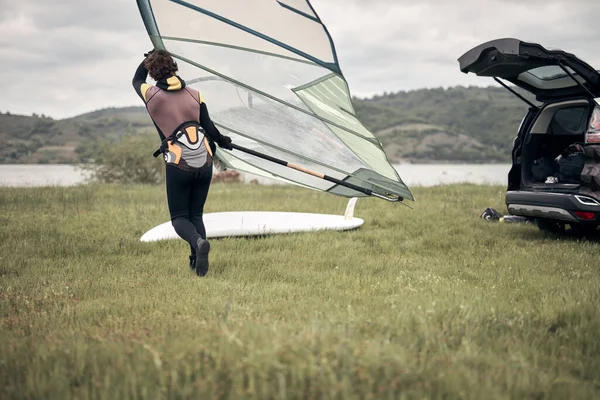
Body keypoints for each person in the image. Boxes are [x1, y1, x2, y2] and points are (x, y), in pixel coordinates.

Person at [132, 49, 233, 277]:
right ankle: (196, 260)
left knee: (179, 217)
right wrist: (223, 141)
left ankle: (197, 243)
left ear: (153, 71)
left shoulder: (151, 95)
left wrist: (147, 58)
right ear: (174, 67)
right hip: (204, 161)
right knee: (196, 214)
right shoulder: (196, 94)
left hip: (179, 163)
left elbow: (136, 79)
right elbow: (209, 129)